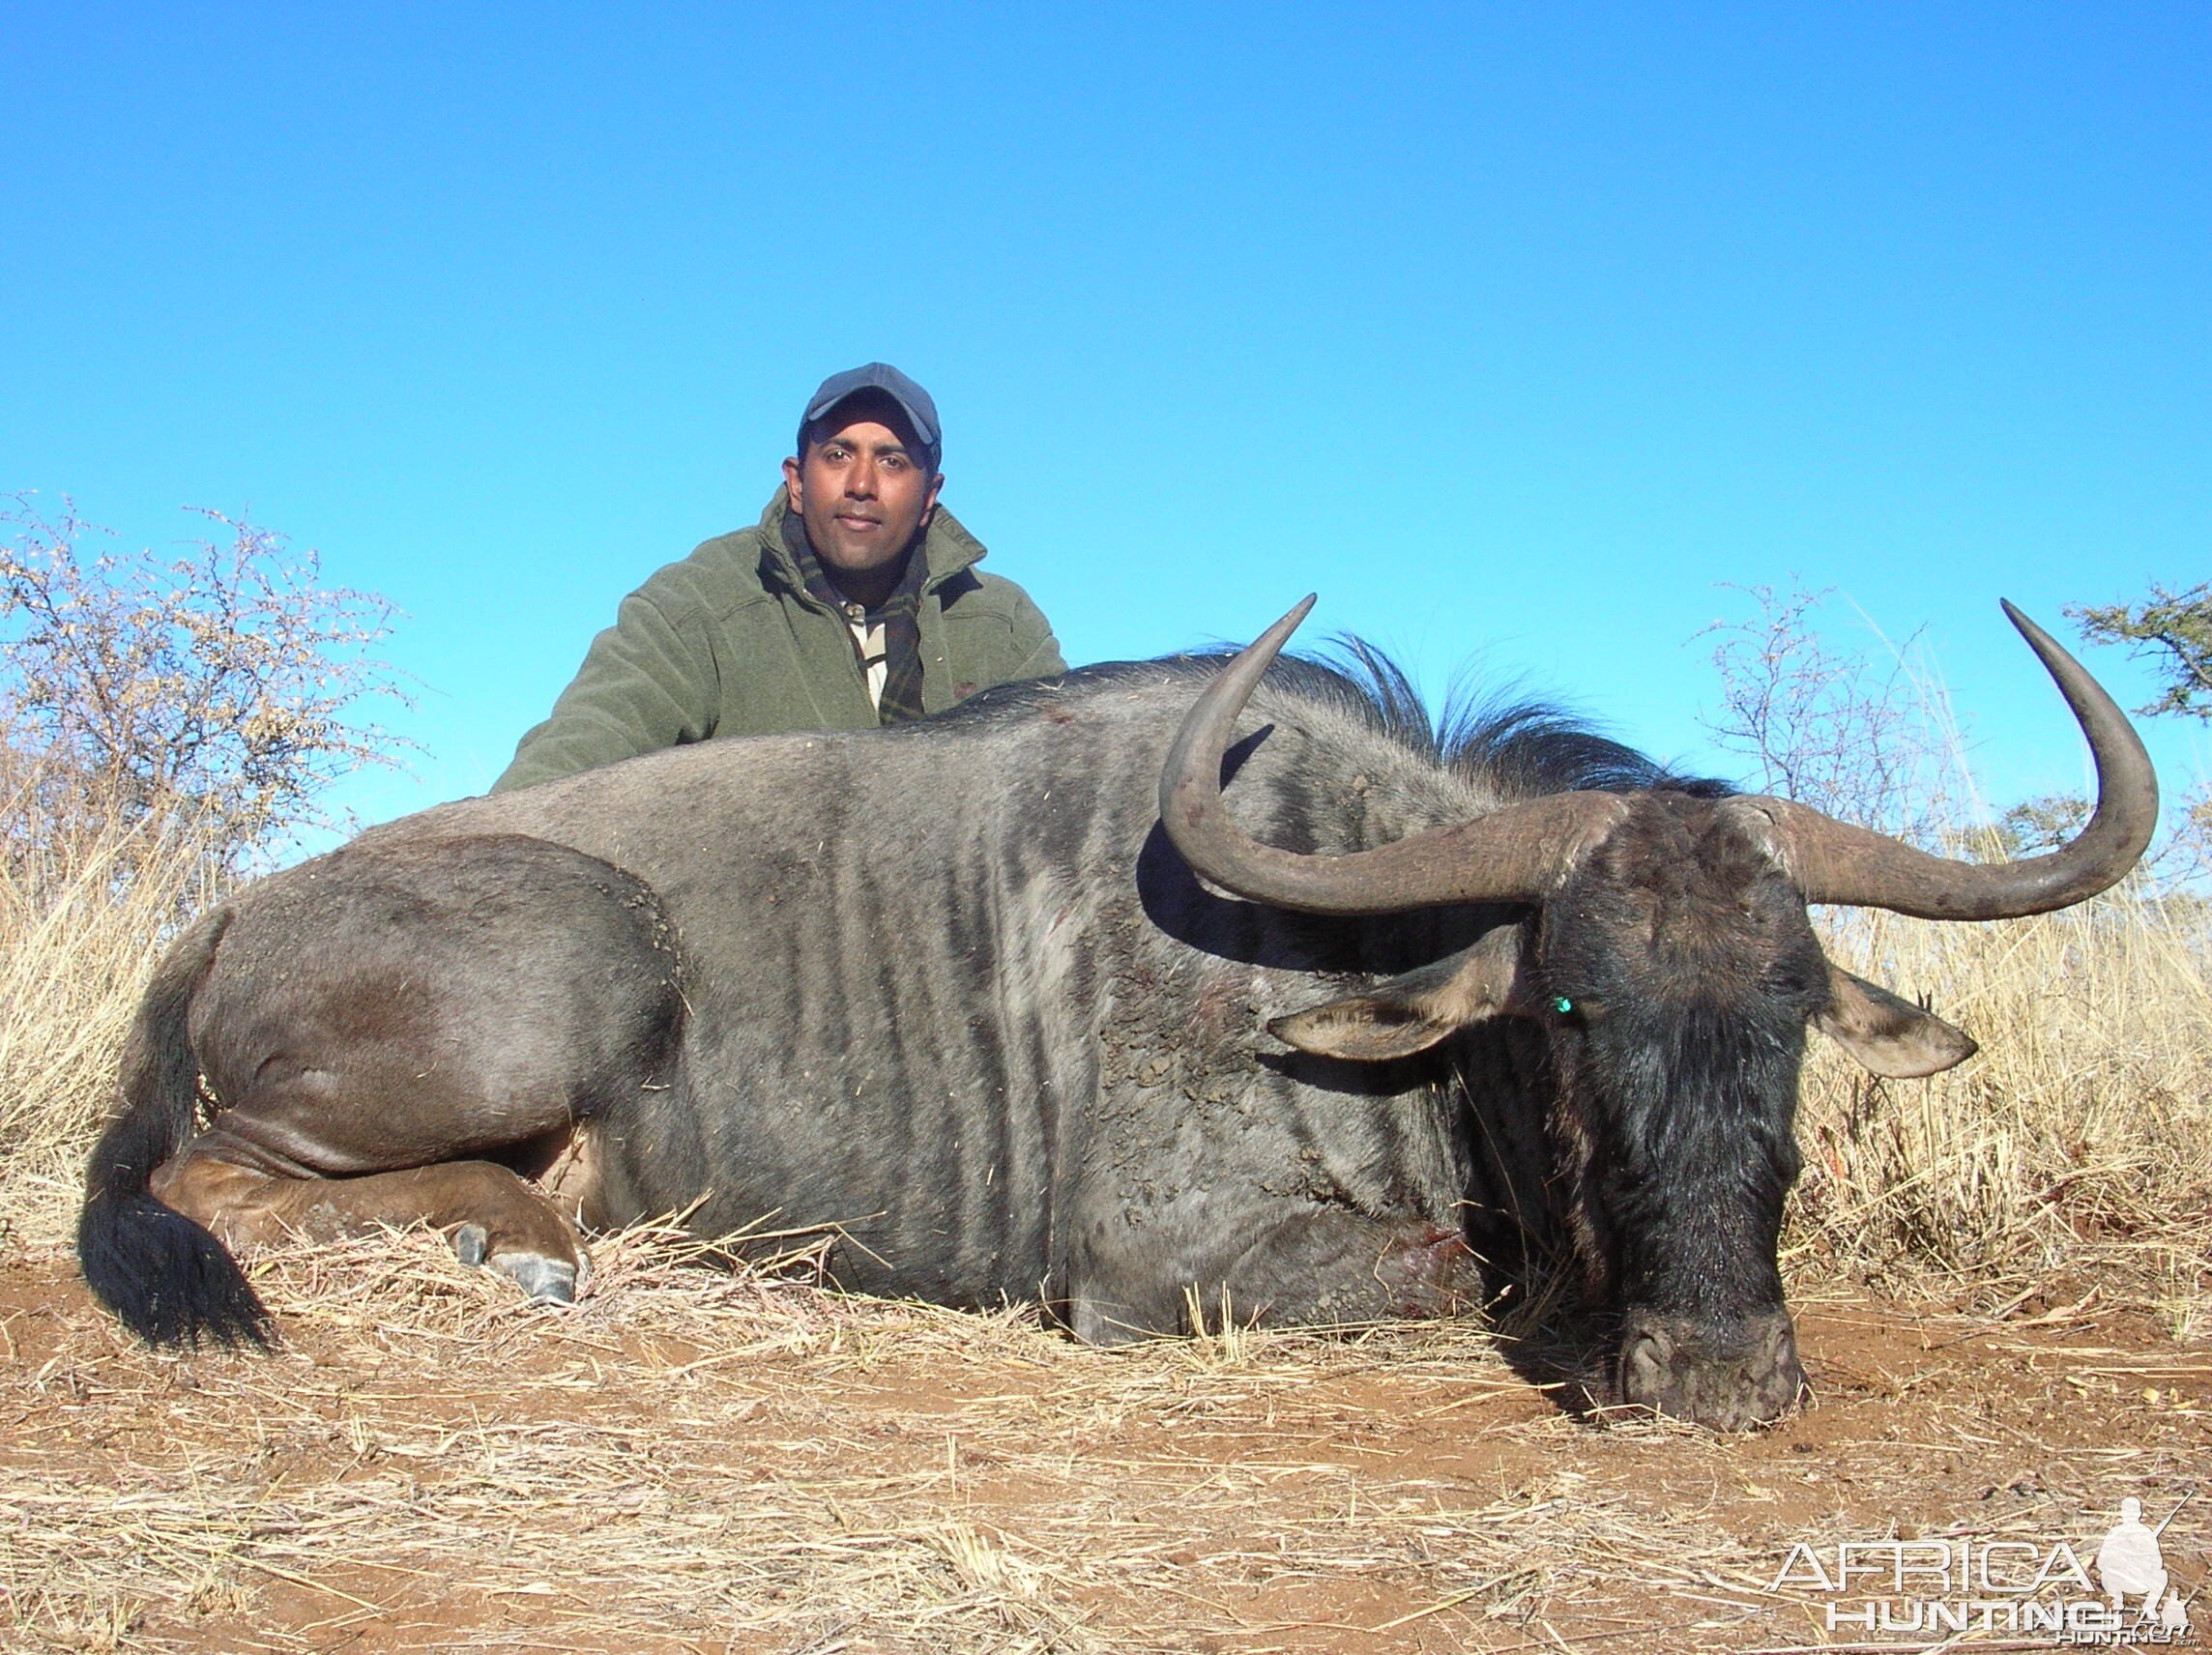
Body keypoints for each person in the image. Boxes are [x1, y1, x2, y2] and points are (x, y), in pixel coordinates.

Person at [493, 363, 1064, 793]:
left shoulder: (1005, 625)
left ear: (929, 497)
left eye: (892, 461)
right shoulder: (695, 604)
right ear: (796, 479)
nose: (862, 483)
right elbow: (577, 754)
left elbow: (1068, 779)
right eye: (838, 455)